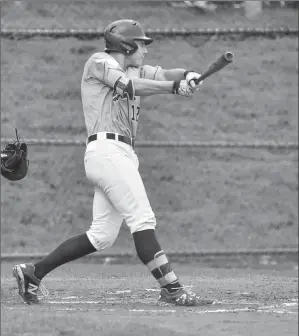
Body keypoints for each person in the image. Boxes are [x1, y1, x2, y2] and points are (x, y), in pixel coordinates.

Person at [12, 19, 214, 307]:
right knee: (142, 219)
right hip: (107, 151)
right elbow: (130, 86)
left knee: (102, 236)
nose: (145, 49)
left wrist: (189, 75)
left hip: (122, 154)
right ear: (127, 45)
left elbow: (167, 73)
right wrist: (173, 87)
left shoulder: (135, 67)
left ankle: (33, 273)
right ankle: (172, 288)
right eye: (141, 44)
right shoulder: (99, 61)